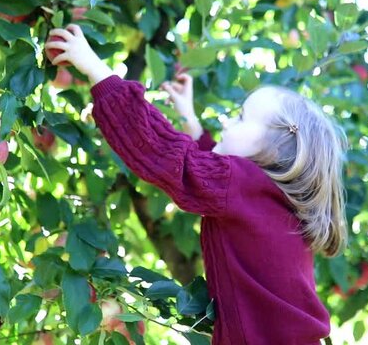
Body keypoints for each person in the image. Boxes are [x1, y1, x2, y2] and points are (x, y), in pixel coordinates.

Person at [46, 24, 348, 345]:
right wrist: (191, 123)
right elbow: (212, 177)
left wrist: (96, 69)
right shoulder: (272, 198)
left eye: (241, 118)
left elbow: (164, 155)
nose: (227, 122)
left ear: (272, 150)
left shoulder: (244, 186)